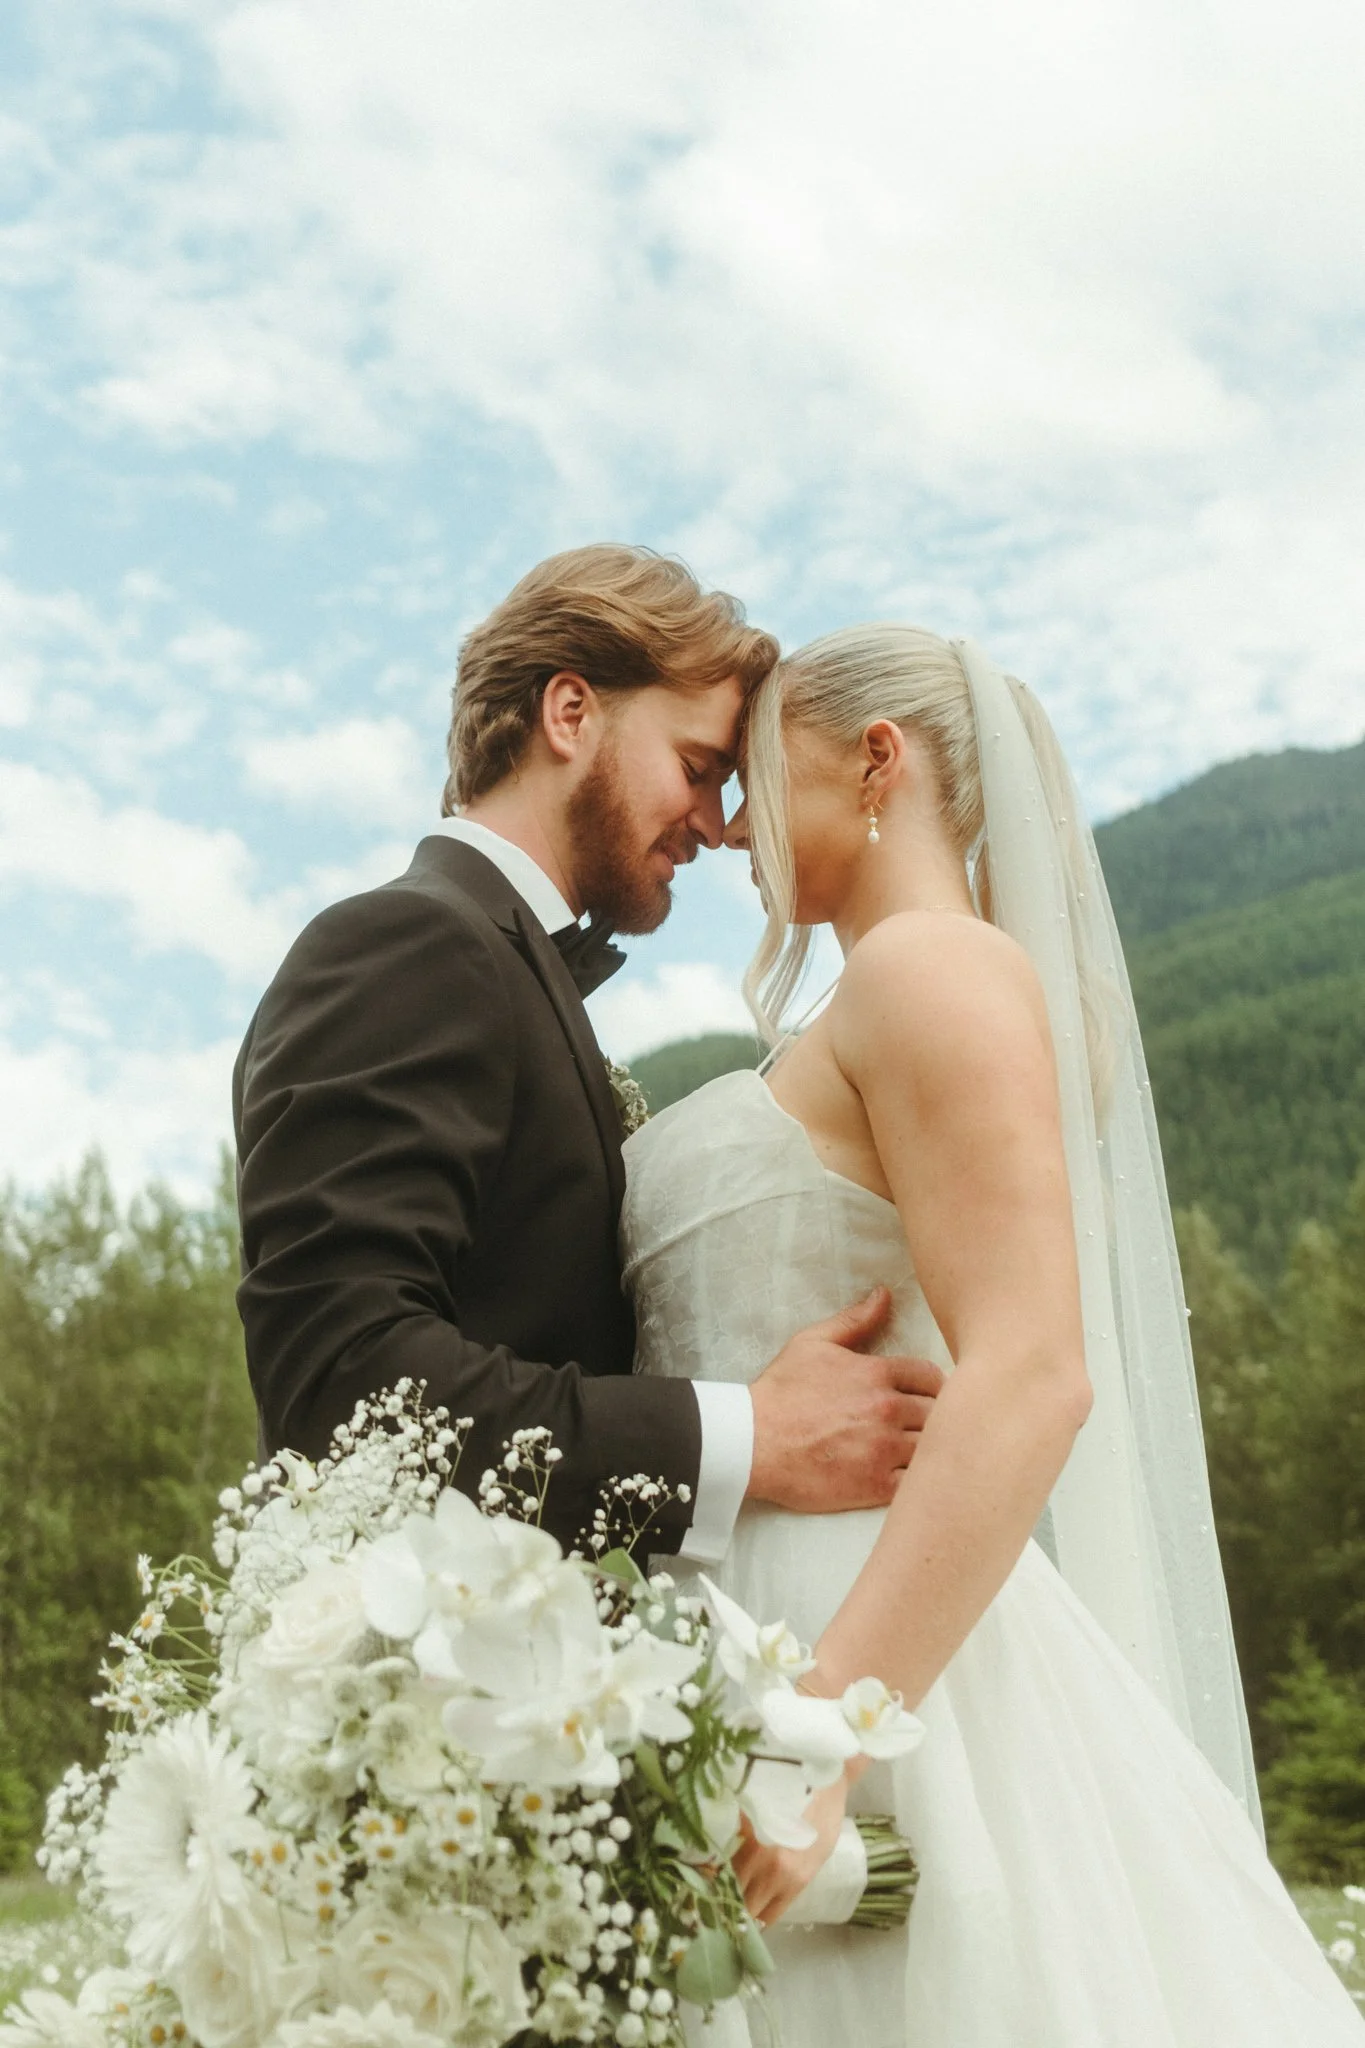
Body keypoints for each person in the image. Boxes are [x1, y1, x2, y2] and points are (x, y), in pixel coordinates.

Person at [623, 626, 1365, 2045]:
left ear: (878, 761)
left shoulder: (932, 971)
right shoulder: (874, 997)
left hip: (857, 1662)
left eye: (758, 779)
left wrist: (822, 1729)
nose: (726, 827)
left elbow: (1030, 1376)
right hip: (741, 1632)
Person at [233, 547, 945, 1567]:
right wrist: (748, 1434)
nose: (714, 824)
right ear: (570, 713)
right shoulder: (408, 943)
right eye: (698, 768)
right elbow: (340, 1375)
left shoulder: (499, 966)